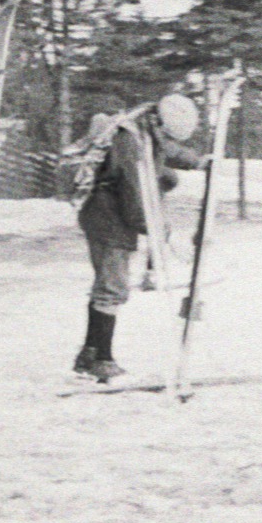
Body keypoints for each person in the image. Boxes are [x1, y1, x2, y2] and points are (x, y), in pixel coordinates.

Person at [65, 94, 202, 381]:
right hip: (107, 217)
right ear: (160, 123)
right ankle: (101, 360)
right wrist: (162, 233)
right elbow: (136, 198)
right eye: (166, 133)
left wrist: (198, 161)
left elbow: (169, 149)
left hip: (110, 213)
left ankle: (89, 354)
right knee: (113, 287)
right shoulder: (132, 142)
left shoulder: (145, 127)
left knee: (108, 284)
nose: (166, 139)